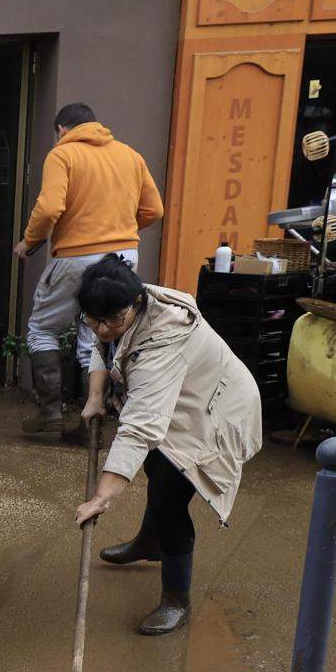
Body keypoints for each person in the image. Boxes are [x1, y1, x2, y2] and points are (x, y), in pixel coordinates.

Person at [73, 257, 262, 635]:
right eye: (94, 319)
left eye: (113, 320)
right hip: (176, 403)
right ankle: (149, 541)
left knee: (170, 498)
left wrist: (102, 497)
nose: (104, 327)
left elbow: (138, 429)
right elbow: (103, 345)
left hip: (212, 413)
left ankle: (176, 600)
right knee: (157, 469)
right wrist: (95, 394)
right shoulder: (114, 310)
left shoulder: (163, 340)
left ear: (137, 301)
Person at [12, 103, 164, 438]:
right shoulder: (130, 155)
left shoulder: (63, 154)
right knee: (95, 333)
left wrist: (29, 241)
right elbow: (154, 209)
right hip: (123, 257)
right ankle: (90, 425)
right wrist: (119, 229)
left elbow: (50, 206)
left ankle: (50, 414)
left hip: (77, 256)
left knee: (42, 329)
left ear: (62, 130)